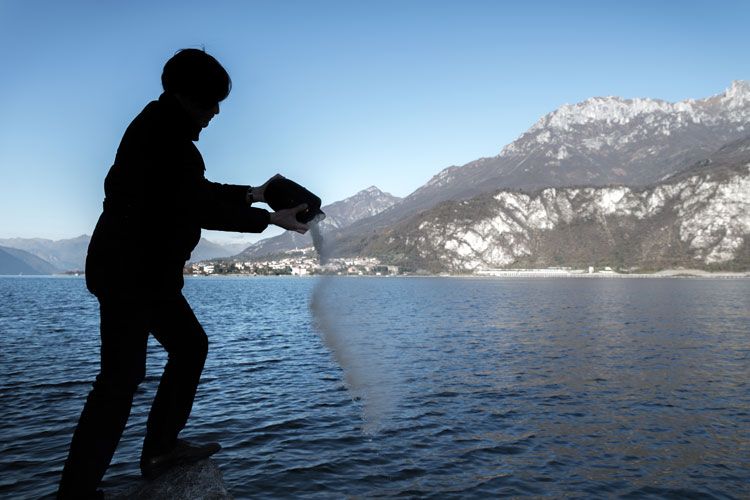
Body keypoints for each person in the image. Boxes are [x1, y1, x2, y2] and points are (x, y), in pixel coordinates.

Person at [57, 48, 308, 499]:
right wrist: (271, 219)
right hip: (130, 274)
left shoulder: (163, 132)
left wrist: (255, 193)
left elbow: (195, 192)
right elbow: (195, 204)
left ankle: (160, 450)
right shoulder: (163, 137)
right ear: (185, 96)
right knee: (120, 381)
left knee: (188, 348)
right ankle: (78, 491)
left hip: (143, 274)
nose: (215, 113)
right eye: (210, 102)